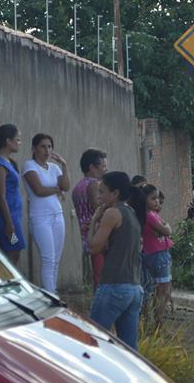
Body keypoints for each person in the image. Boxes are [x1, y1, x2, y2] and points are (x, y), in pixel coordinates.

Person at [87, 172, 147, 350]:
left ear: (115, 194)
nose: (98, 196)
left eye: (102, 192)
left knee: (91, 341)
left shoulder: (112, 213)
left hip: (114, 286)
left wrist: (93, 222)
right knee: (129, 350)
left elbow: (93, 248)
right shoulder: (132, 213)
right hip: (134, 288)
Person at [22, 133, 70, 294]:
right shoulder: (29, 165)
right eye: (43, 146)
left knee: (56, 259)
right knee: (48, 259)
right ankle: (50, 295)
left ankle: (52, 291)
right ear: (34, 149)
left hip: (57, 215)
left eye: (49, 146)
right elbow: (39, 190)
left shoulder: (55, 168)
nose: (47, 150)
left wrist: (64, 165)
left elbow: (66, 186)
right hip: (40, 218)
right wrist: (57, 190)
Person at [0, 124, 25, 264]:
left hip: (14, 216)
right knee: (11, 252)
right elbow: (0, 196)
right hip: (6, 218)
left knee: (15, 250)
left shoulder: (8, 162)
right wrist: (9, 223)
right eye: (18, 139)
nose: (19, 143)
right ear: (8, 141)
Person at [72, 148, 108, 287]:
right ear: (92, 167)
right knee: (103, 276)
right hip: (99, 235)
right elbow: (97, 209)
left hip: (87, 235)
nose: (106, 169)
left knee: (97, 274)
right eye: (103, 166)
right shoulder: (94, 184)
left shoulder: (78, 187)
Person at [141, 184, 173, 327]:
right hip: (157, 254)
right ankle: (159, 322)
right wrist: (166, 227)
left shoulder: (151, 214)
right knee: (162, 289)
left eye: (158, 198)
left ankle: (156, 321)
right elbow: (166, 231)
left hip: (155, 252)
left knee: (159, 289)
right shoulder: (149, 216)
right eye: (153, 198)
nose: (157, 202)